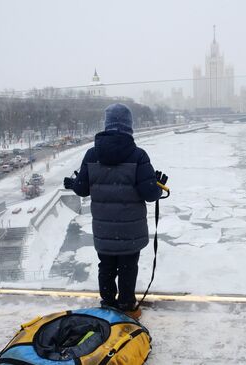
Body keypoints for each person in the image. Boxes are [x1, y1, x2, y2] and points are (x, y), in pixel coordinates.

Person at [64, 103, 163, 319]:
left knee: (106, 266)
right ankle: (127, 305)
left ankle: (107, 305)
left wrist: (72, 182)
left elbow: (81, 189)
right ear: (129, 126)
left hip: (103, 228)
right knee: (128, 267)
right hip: (130, 230)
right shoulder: (138, 156)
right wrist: (157, 184)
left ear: (106, 125)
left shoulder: (91, 155)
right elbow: (150, 195)